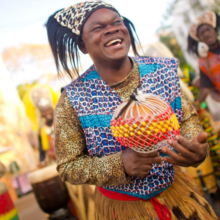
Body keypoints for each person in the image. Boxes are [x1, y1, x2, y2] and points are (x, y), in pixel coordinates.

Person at [47, 2, 217, 219]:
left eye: (117, 22)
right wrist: (119, 165)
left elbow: (187, 122)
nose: (112, 29)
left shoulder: (162, 72)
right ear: (82, 45)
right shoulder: (72, 99)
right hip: (121, 210)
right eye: (98, 28)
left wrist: (194, 149)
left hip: (179, 199)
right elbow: (68, 166)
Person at [188, 11, 220, 119]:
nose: (206, 34)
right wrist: (196, 104)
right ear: (200, 39)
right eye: (202, 33)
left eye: (208, 30)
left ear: (215, 30)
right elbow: (208, 89)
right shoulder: (203, 63)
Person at [23, 85, 58, 166]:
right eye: (44, 111)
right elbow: (41, 148)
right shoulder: (41, 131)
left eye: (49, 110)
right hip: (53, 161)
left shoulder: (63, 123)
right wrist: (42, 159)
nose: (47, 114)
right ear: (40, 113)